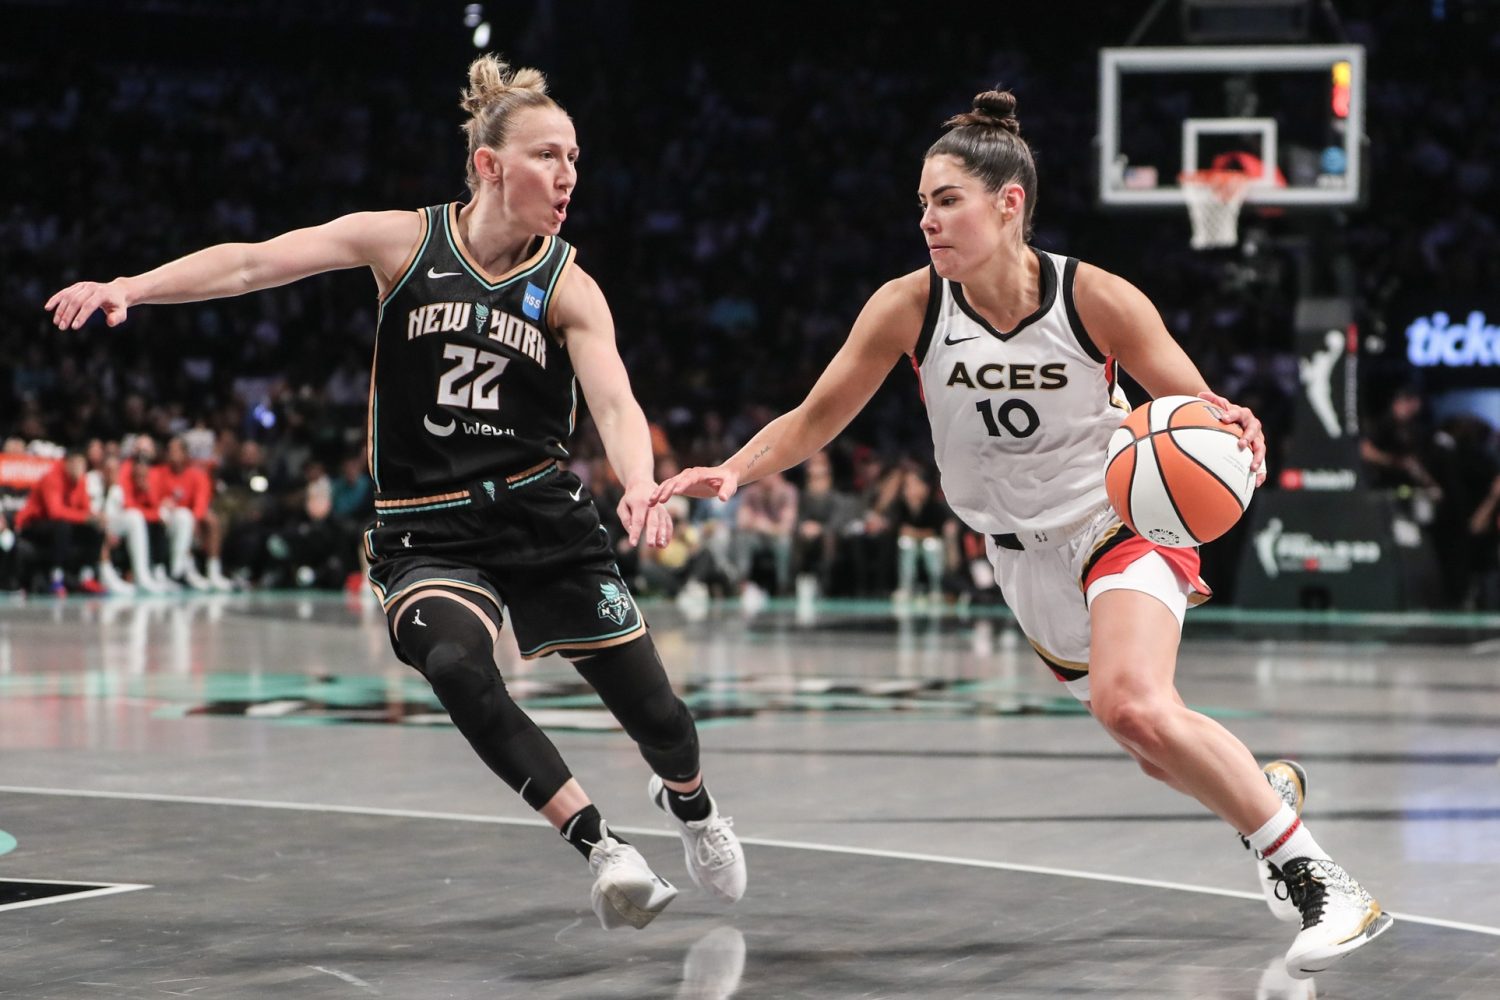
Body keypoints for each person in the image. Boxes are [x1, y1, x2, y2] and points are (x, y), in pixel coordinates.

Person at [652, 89, 1390, 977]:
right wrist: (733, 470)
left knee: (1132, 703)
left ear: (1009, 204)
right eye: (922, 203)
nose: (926, 220)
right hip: (1018, 558)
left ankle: (1326, 883)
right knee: (1155, 747)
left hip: (1117, 523)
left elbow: (1196, 410)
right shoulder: (908, 307)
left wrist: (1234, 427)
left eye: (946, 200)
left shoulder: (1097, 298)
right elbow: (815, 417)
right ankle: (1262, 797)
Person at [46, 54, 746, 931]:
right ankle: (602, 846)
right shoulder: (404, 242)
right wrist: (131, 288)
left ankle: (692, 806)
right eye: (548, 155)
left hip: (539, 517)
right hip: (427, 529)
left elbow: (613, 400)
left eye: (574, 157)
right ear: (490, 165)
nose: (569, 174)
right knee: (455, 665)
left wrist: (640, 481)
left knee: (661, 719)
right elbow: (255, 264)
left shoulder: (569, 285)